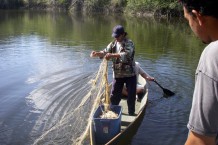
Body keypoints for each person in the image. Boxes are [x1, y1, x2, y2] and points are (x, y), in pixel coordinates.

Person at [179, 0, 218, 145]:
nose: (190, 25)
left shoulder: (214, 54)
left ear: (198, 17)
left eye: (188, 19)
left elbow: (199, 141)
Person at [90, 25, 137, 116]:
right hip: (118, 75)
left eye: (117, 36)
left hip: (130, 75)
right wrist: (97, 53)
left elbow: (126, 54)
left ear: (123, 34)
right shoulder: (113, 44)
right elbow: (105, 52)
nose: (116, 38)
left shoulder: (129, 43)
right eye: (114, 36)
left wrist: (111, 55)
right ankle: (113, 112)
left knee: (131, 95)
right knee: (114, 95)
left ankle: (131, 113)